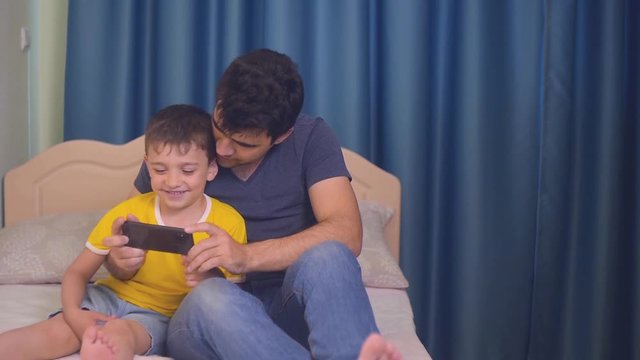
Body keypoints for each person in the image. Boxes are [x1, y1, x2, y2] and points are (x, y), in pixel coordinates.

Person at [106, 49, 401, 359]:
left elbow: (347, 232)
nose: (220, 149)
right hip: (202, 316)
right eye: (219, 128)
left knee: (330, 256)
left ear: (282, 135)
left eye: (243, 143)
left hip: (285, 308)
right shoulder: (182, 144)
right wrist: (119, 259)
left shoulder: (311, 138)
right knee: (212, 294)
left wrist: (245, 256)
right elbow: (127, 236)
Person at [0, 104, 246, 359]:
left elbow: (230, 300)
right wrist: (73, 314)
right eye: (160, 170)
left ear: (211, 169)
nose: (172, 181)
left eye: (187, 170)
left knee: (123, 335)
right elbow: (77, 271)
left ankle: (102, 350)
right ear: (147, 166)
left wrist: (208, 277)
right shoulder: (128, 212)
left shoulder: (227, 223)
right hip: (106, 297)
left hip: (159, 315)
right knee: (57, 332)